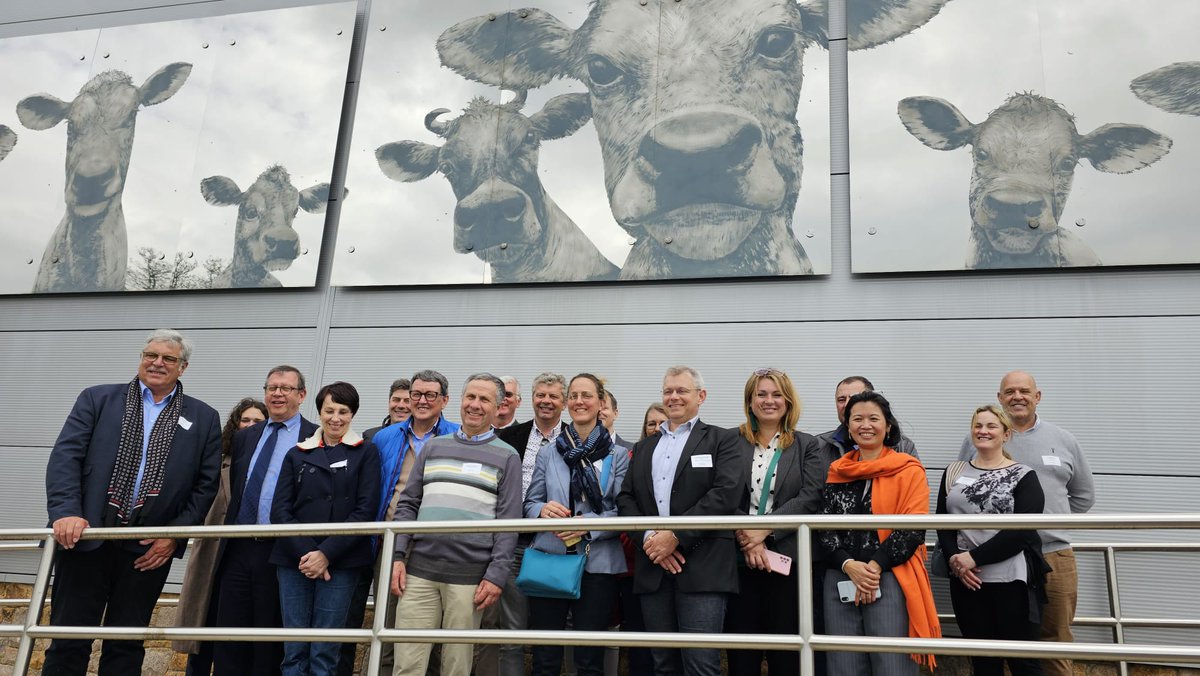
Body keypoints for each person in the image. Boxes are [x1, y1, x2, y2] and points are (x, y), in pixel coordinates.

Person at [43, 329, 222, 675]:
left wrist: (173, 536)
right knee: (68, 640)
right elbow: (66, 458)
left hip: (147, 550)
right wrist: (66, 512)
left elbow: (205, 486)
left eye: (168, 358)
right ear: (141, 359)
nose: (157, 363)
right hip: (85, 538)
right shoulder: (97, 399)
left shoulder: (203, 418)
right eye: (150, 355)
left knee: (126, 644)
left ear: (182, 368)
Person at [957, 371, 1094, 676]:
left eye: (1023, 391)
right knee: (1004, 641)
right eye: (1009, 392)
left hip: (1052, 554)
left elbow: (1083, 497)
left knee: (1054, 641)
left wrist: (1047, 523)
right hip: (996, 560)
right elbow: (962, 490)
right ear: (1000, 398)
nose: (1016, 397)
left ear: (1037, 397)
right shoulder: (981, 438)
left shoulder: (1063, 439)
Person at [390, 373, 522, 676]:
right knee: (407, 662)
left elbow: (508, 522)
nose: (475, 405)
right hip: (418, 572)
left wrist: (496, 575)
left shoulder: (507, 456)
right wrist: (397, 557)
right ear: (460, 401)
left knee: (456, 665)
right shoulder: (434, 447)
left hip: (470, 578)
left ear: (499, 407)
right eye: (470, 397)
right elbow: (408, 503)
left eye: (484, 399)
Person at [617, 365, 745, 676]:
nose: (673, 397)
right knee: (663, 663)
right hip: (654, 566)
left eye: (681, 391)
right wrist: (650, 537)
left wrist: (675, 534)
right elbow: (626, 498)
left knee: (701, 663)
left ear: (701, 396)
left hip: (704, 567)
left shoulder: (723, 440)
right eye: (668, 391)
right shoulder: (644, 446)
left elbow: (726, 493)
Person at [819, 390, 939, 675]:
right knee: (843, 664)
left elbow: (912, 529)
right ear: (848, 427)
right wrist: (849, 565)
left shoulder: (909, 471)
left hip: (889, 577)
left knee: (892, 664)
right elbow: (824, 526)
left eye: (874, 418)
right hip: (841, 578)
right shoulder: (837, 470)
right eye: (857, 419)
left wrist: (872, 569)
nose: (865, 425)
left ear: (888, 426)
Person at [271, 381, 381, 676]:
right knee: (294, 650)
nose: (336, 418)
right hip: (295, 559)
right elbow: (279, 510)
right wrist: (310, 553)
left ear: (353, 414)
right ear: (319, 412)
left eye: (343, 411)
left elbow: (365, 511)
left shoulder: (366, 452)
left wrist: (326, 554)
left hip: (342, 561)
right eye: (329, 410)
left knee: (324, 651)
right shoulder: (297, 453)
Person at [353, 369, 460, 675]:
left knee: (436, 632)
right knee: (387, 628)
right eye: (416, 394)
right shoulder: (383, 437)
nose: (422, 400)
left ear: (444, 400)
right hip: (390, 544)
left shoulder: (456, 436)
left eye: (430, 395)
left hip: (438, 546)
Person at [214, 365, 318, 676]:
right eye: (272, 387)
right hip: (237, 548)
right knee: (229, 635)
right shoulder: (247, 437)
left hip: (281, 551)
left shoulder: (313, 436)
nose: (277, 393)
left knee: (268, 639)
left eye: (286, 388)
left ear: (301, 395)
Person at [524, 374, 630, 676]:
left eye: (586, 396)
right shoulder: (548, 452)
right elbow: (530, 503)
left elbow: (625, 511)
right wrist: (542, 510)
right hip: (550, 558)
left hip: (598, 564)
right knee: (545, 655)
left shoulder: (618, 455)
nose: (579, 402)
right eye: (573, 396)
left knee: (588, 658)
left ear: (600, 403)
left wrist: (589, 525)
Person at [725, 369, 827, 676]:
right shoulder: (730, 441)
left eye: (776, 394)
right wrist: (747, 534)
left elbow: (811, 496)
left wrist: (765, 530)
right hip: (738, 561)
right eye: (761, 394)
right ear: (750, 401)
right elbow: (720, 494)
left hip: (788, 562)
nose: (769, 401)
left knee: (787, 656)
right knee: (743, 655)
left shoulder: (808, 445)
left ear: (788, 400)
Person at [939, 405, 1047, 676]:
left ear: (1006, 435)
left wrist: (972, 558)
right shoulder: (954, 471)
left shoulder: (1024, 475)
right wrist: (955, 560)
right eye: (978, 426)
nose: (983, 431)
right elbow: (942, 522)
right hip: (965, 579)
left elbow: (1022, 530)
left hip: (1009, 579)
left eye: (991, 426)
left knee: (1022, 659)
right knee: (983, 659)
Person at [477, 373, 570, 676]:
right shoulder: (508, 437)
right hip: (512, 543)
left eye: (554, 396)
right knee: (511, 634)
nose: (546, 401)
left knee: (551, 635)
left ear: (565, 402)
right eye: (541, 394)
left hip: (554, 547)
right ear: (530, 398)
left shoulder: (575, 439)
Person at [175, 397, 267, 675]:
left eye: (257, 422)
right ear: (235, 425)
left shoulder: (267, 465)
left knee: (235, 636)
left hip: (245, 557)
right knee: (203, 629)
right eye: (246, 420)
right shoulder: (217, 461)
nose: (250, 426)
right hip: (212, 556)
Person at [818, 376, 919, 459]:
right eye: (841, 399)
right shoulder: (818, 446)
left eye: (854, 398)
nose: (847, 404)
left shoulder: (903, 447)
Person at [363, 378, 412, 443]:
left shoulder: (422, 438)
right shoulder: (371, 436)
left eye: (407, 401)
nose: (401, 406)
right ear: (389, 402)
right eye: (396, 400)